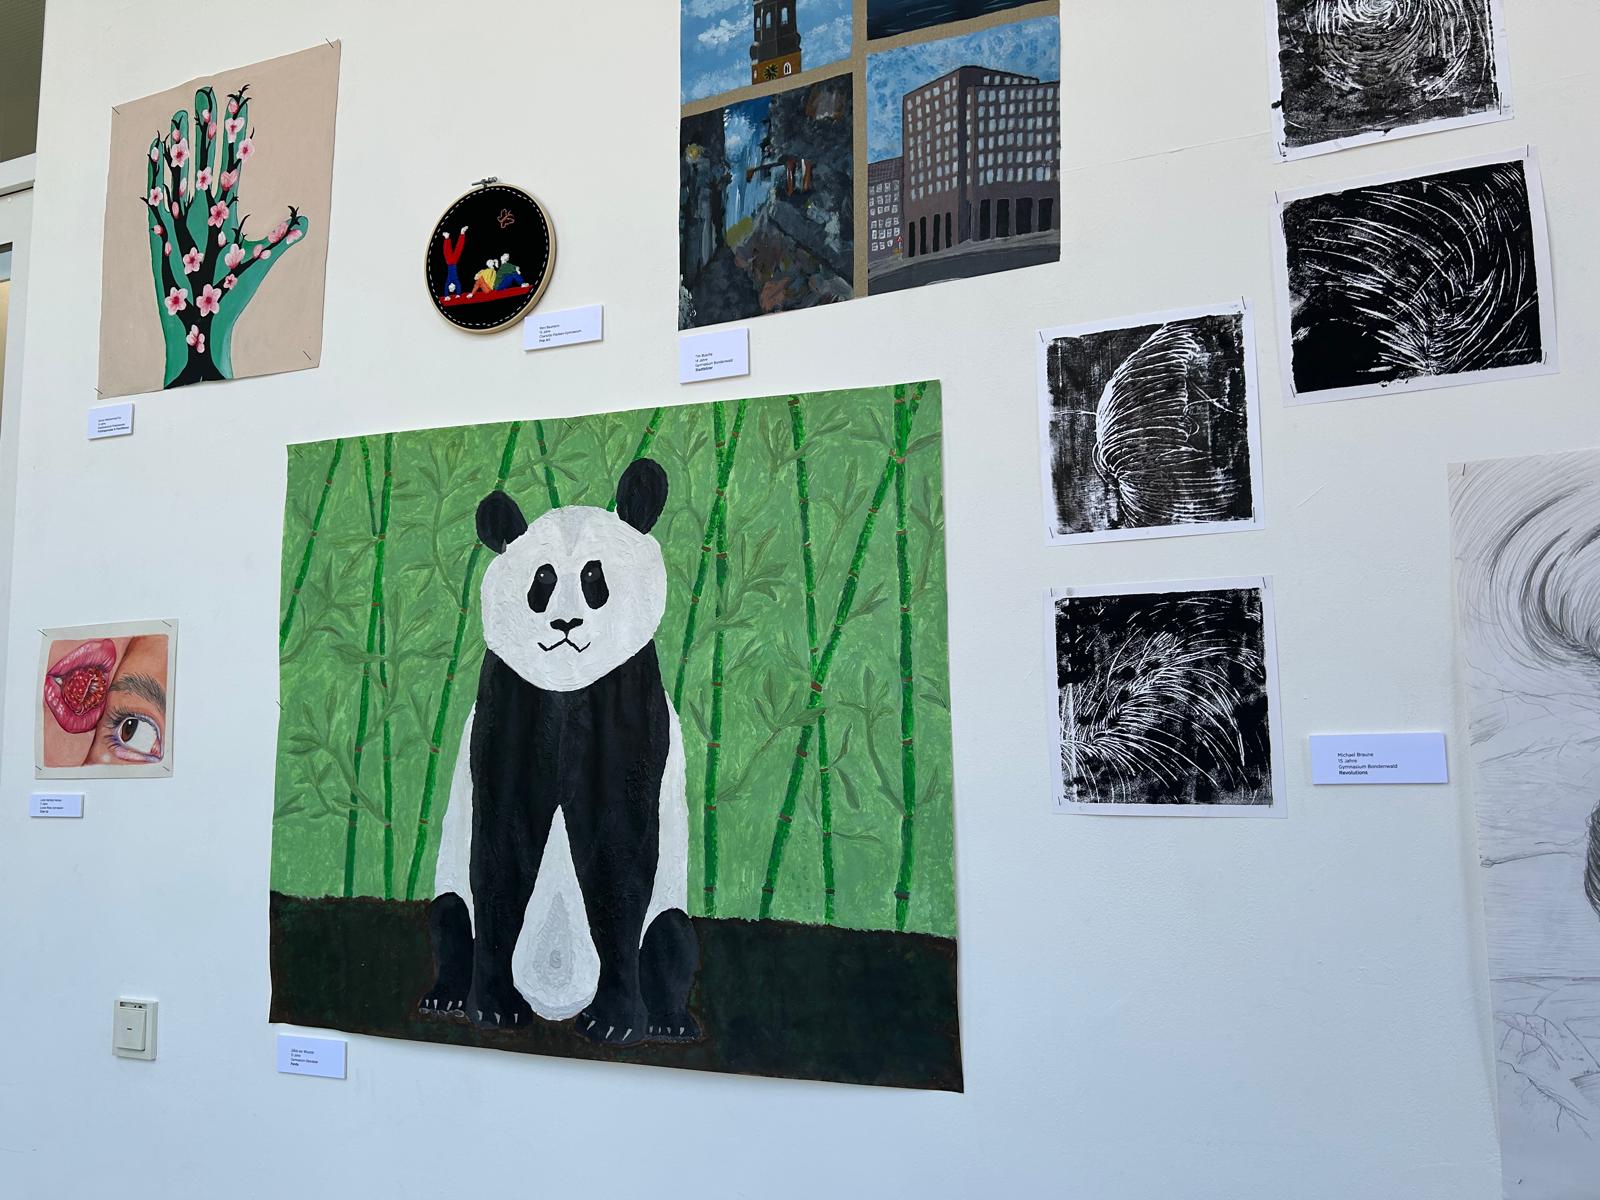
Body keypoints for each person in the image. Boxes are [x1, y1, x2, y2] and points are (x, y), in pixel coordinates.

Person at [440, 225, 467, 295]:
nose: (451, 288)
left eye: (450, 288)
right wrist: (458, 294)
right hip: (454, 262)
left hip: (450, 262)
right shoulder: (456, 280)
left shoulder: (448, 281)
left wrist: (446, 295)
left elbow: (446, 287)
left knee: (447, 251)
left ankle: (447, 237)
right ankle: (461, 234)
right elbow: (459, 286)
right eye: (453, 289)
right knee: (458, 248)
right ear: (454, 287)